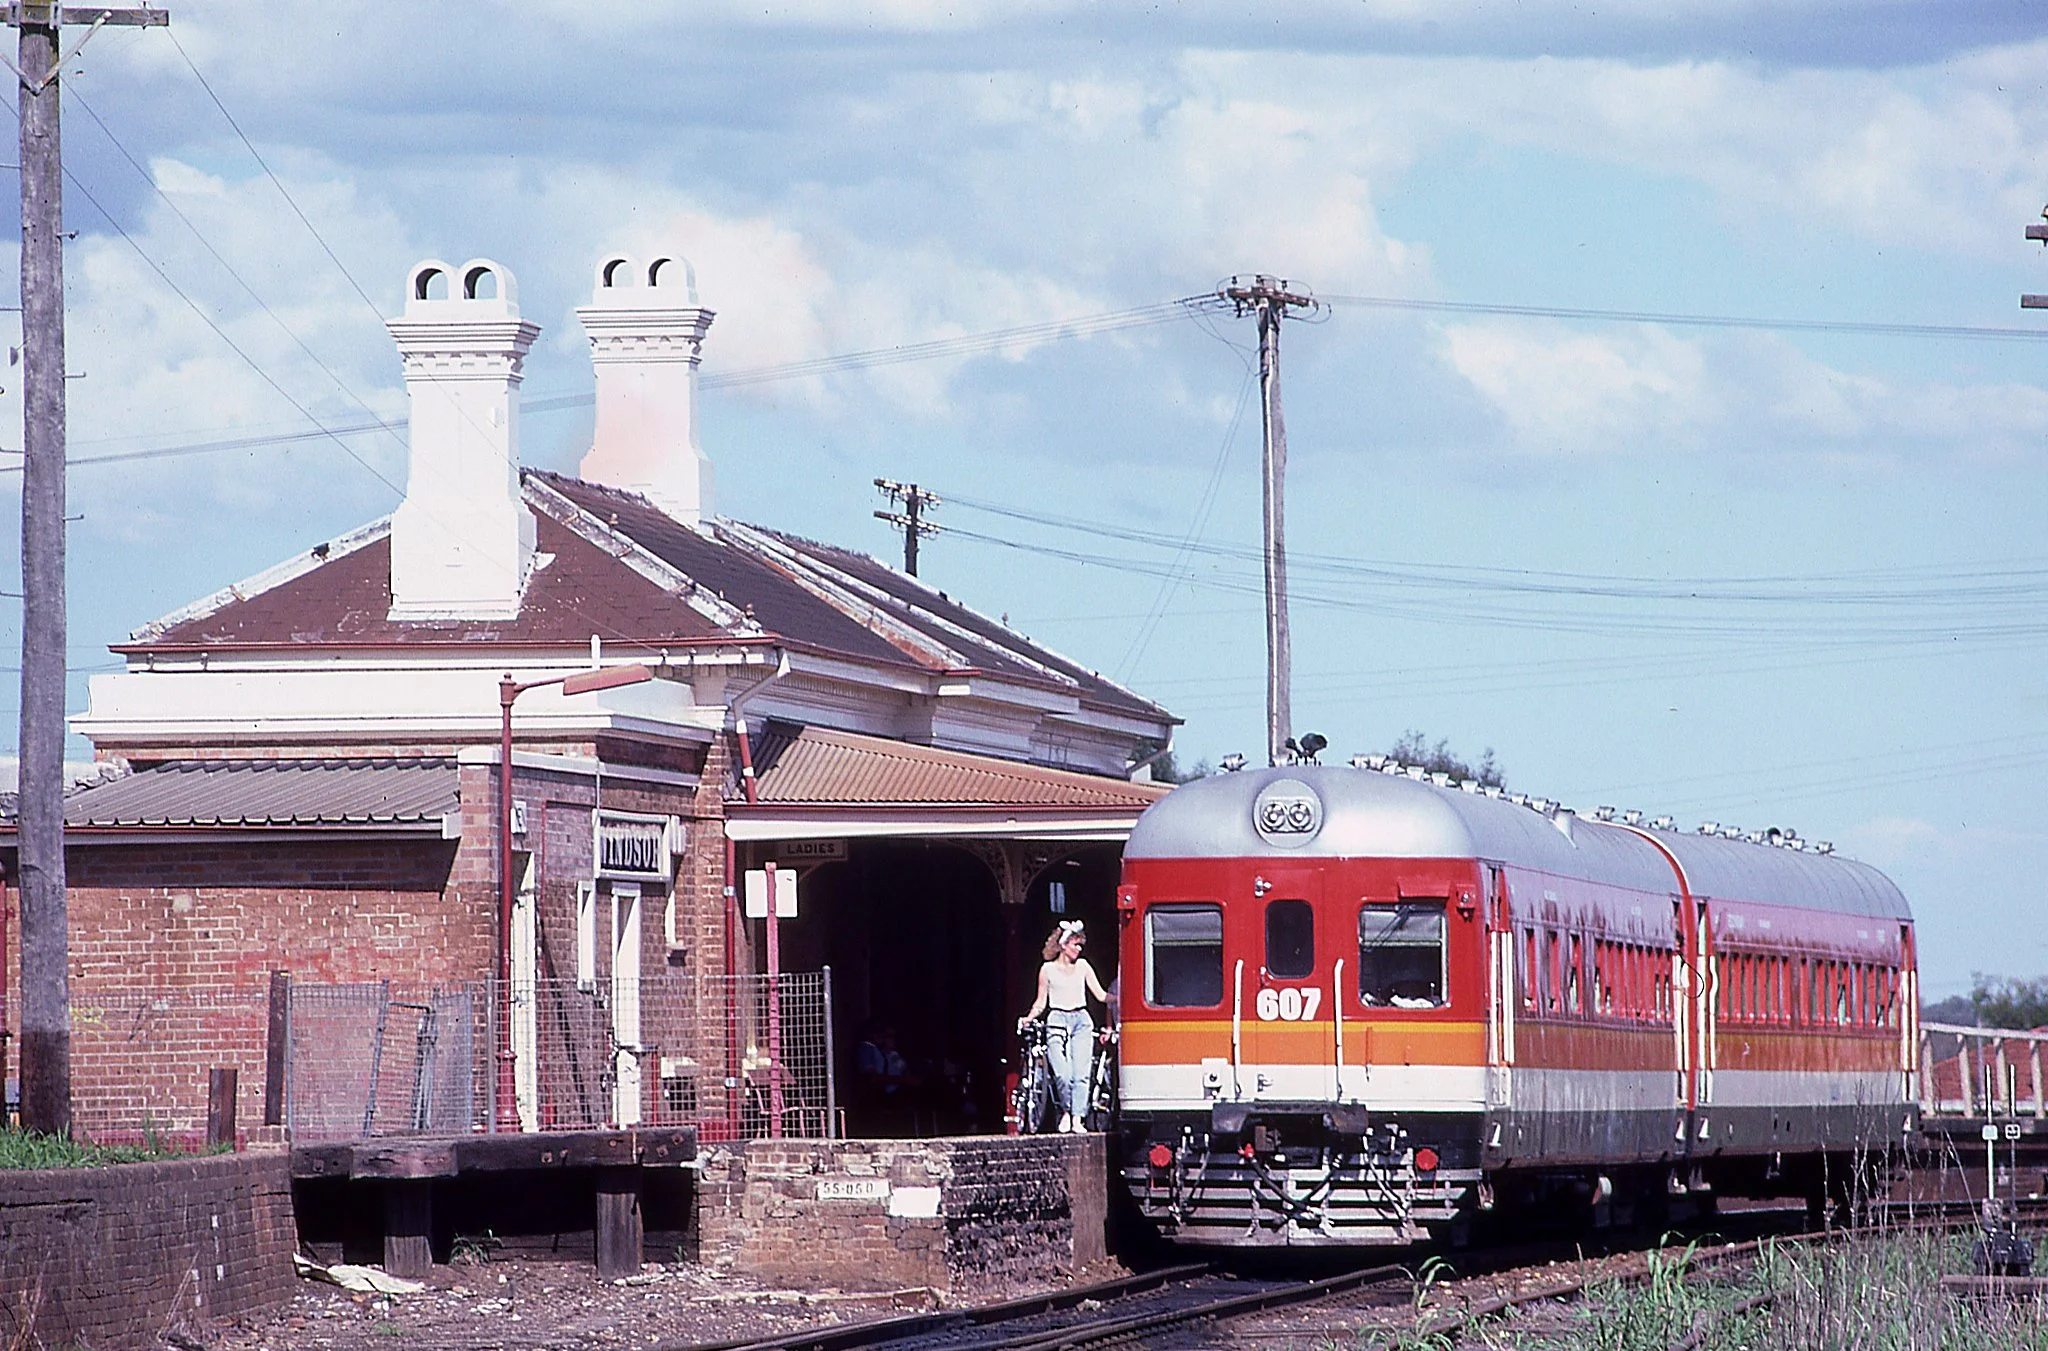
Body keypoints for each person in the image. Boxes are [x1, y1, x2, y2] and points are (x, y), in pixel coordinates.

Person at [1019, 918, 1110, 1133]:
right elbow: (1041, 1001)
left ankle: (1077, 1117)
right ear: (1063, 944)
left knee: (1082, 1073)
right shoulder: (1047, 969)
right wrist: (1029, 1017)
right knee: (1062, 1073)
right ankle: (1067, 1111)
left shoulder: (1083, 967)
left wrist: (1123, 997)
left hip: (1081, 1020)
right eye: (1075, 944)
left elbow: (1100, 994)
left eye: (1080, 945)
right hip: (1057, 1019)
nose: (1079, 949)